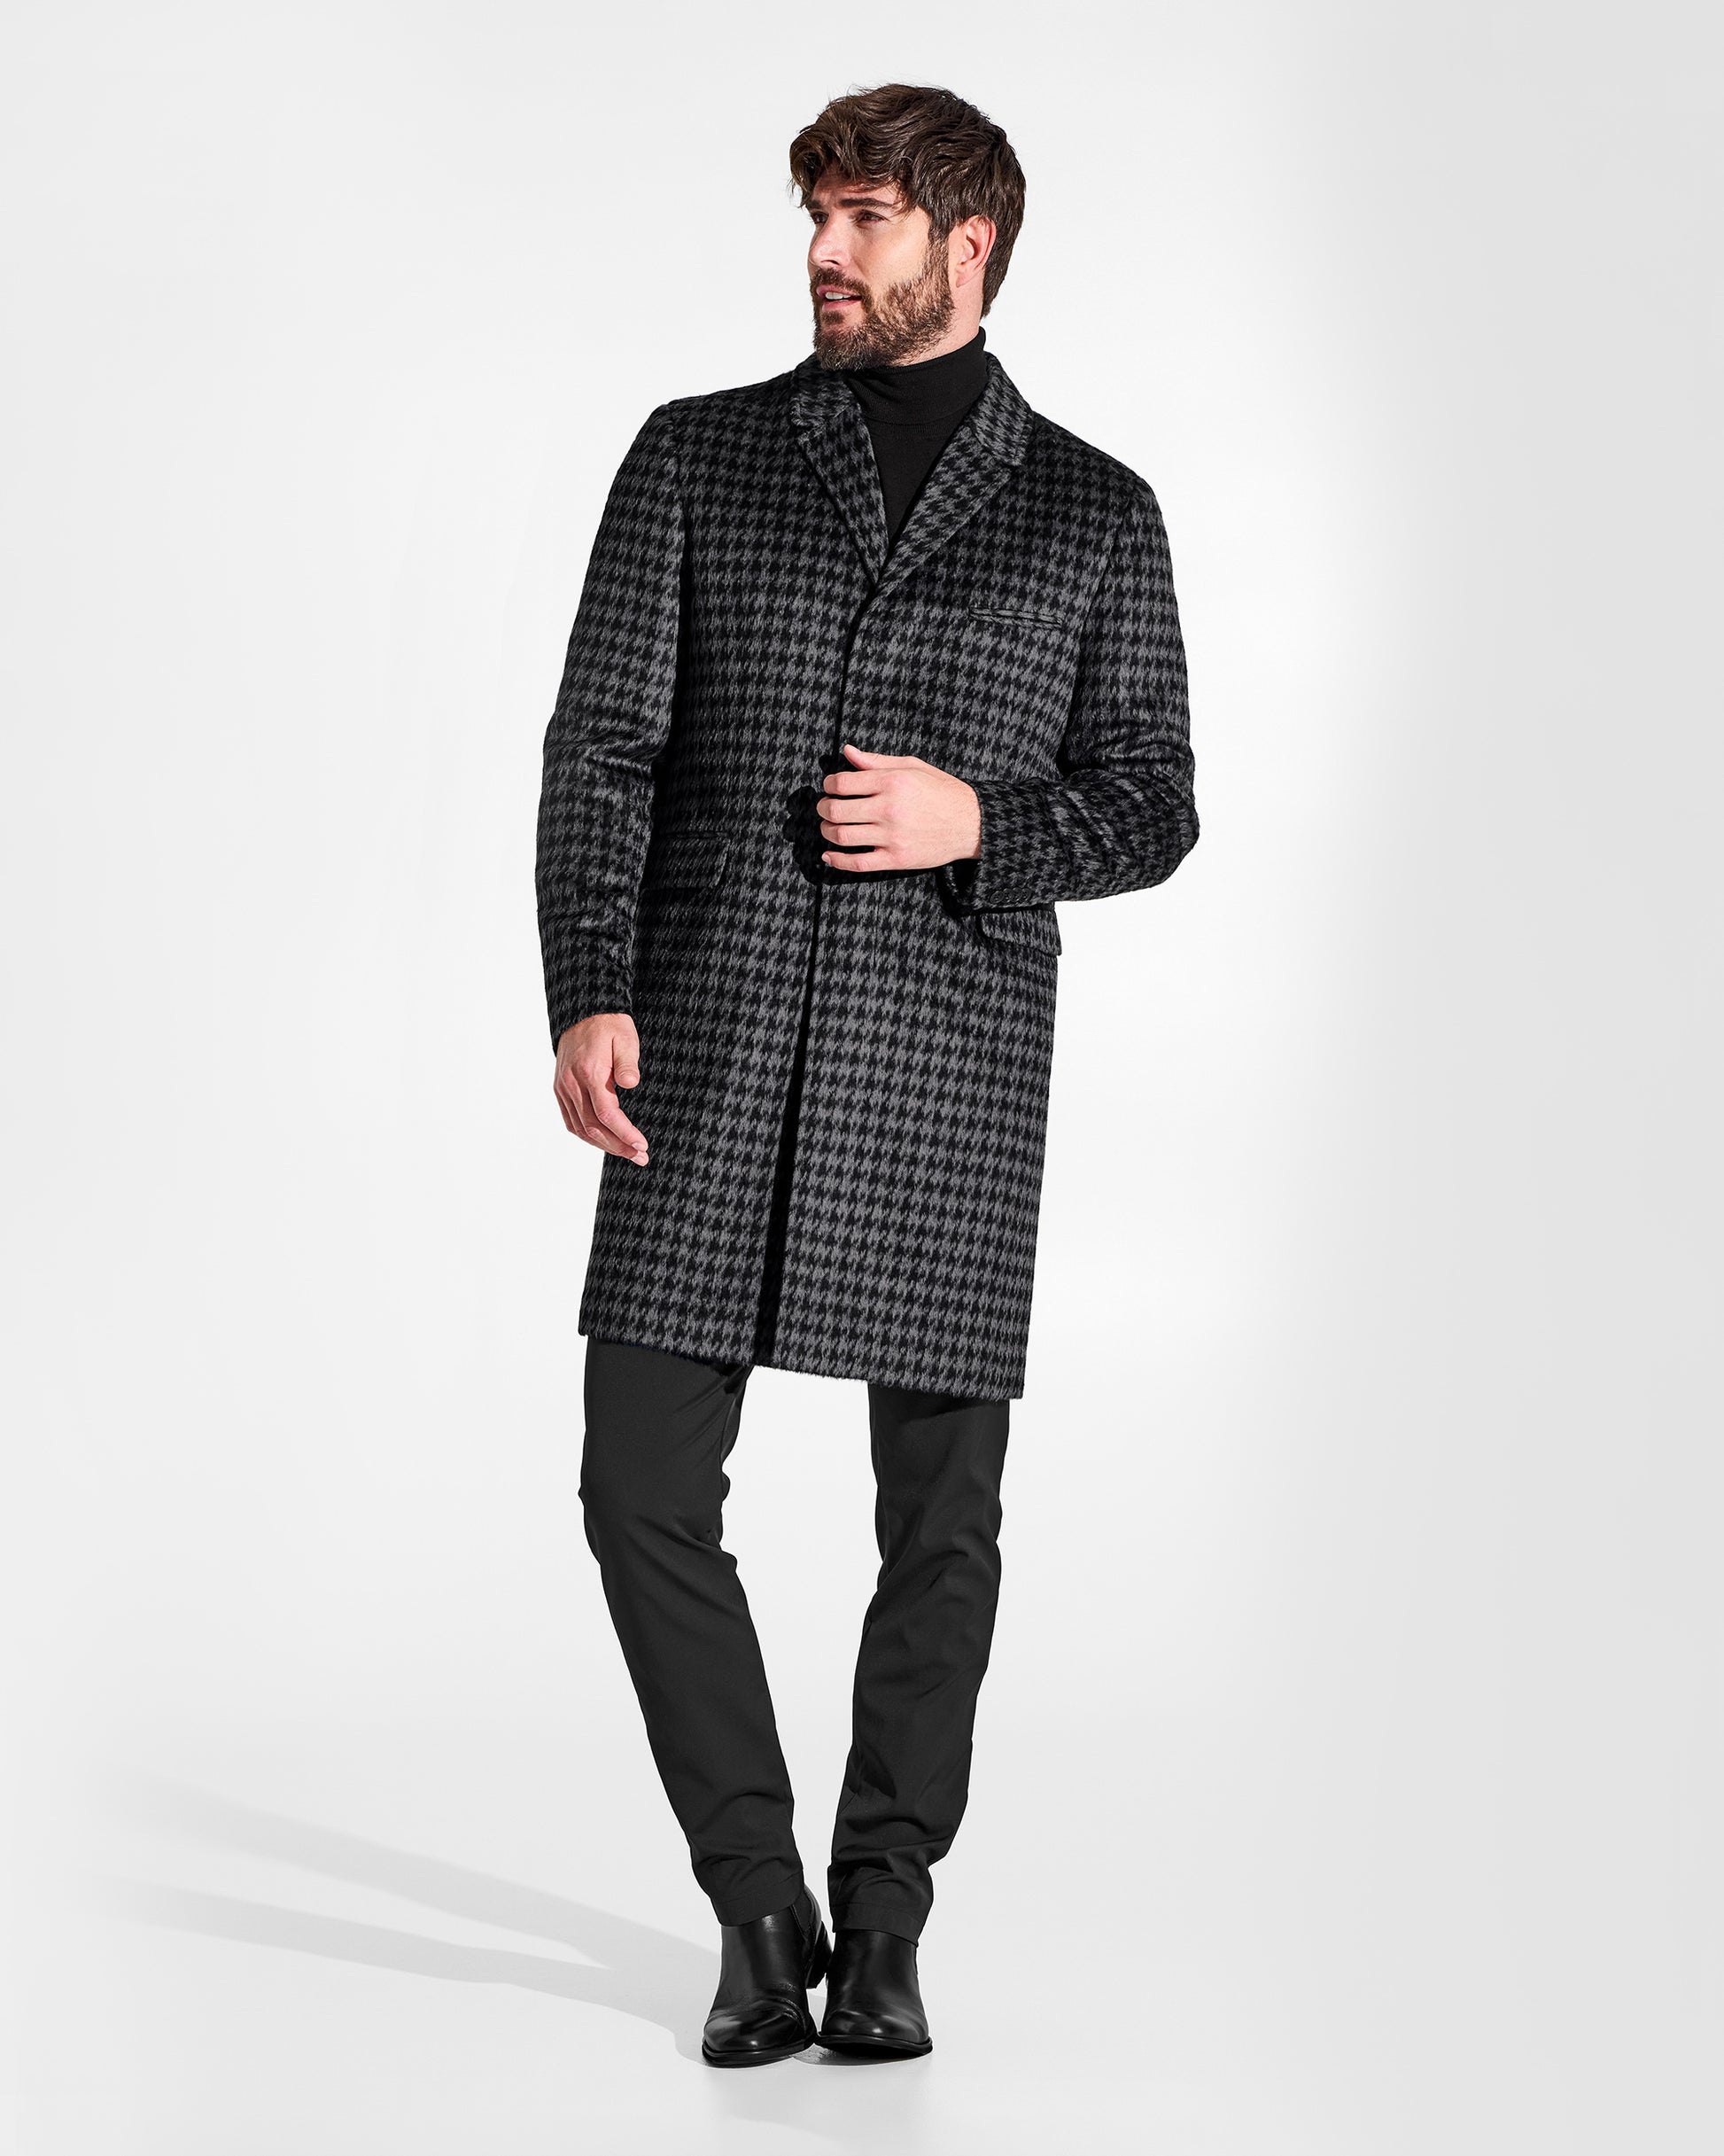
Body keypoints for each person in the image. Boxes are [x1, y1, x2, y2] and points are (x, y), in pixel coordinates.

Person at [535, 82, 1198, 2066]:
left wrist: (978, 819)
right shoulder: (698, 456)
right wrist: (588, 987)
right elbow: (602, 749)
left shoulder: (1093, 511)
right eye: (814, 217)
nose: (824, 253)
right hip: (712, 1037)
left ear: (964, 244)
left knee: (941, 1525)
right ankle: (759, 1907)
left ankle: (886, 1914)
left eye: (863, 219)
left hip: (947, 1069)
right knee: (637, 1486)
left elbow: (1154, 800)